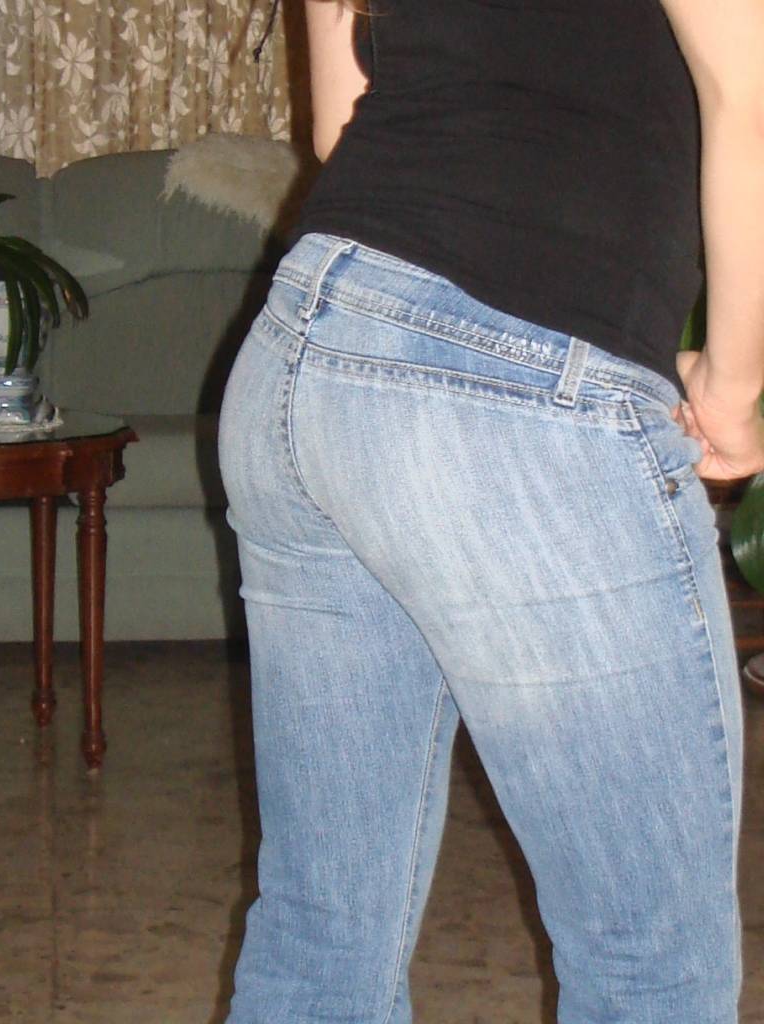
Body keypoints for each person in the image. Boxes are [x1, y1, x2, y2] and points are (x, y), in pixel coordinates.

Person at [217, 1, 764, 1020]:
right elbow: (748, 90)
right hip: (518, 369)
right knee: (650, 967)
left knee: (322, 931)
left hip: (305, 350)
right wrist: (733, 389)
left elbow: (339, 127)